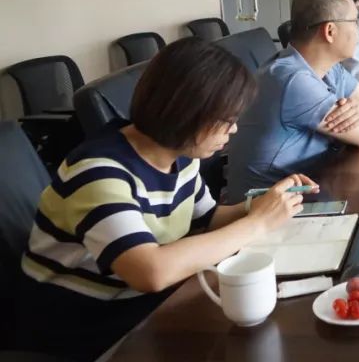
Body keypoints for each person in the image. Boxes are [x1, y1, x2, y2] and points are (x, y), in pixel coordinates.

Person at [13, 38, 317, 361]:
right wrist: (256, 224)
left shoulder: (180, 154)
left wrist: (261, 205)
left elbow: (207, 219)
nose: (234, 130)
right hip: (85, 330)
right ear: (188, 114)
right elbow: (151, 272)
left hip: (145, 309)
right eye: (226, 120)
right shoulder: (98, 172)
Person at [226, 0, 359, 202]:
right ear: (330, 31)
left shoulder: (329, 68)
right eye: (355, 22)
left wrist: (358, 109)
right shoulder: (291, 79)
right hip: (264, 208)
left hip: (305, 190)